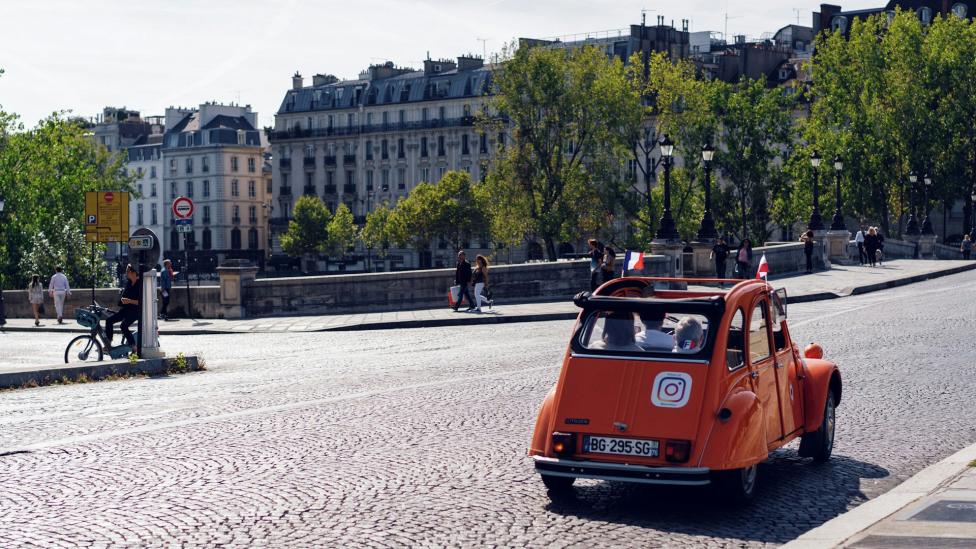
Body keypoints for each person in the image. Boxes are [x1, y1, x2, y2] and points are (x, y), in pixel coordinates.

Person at [105, 264, 141, 350]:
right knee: (109, 320)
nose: (126, 273)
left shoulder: (140, 284)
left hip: (135, 311)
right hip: (126, 309)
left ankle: (134, 347)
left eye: (127, 271)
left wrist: (129, 301)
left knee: (123, 326)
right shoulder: (129, 282)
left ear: (133, 272)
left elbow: (141, 302)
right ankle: (108, 343)